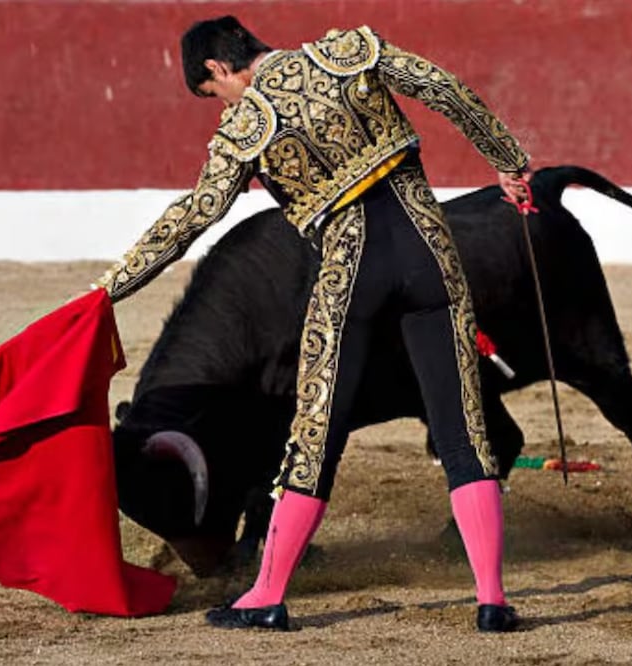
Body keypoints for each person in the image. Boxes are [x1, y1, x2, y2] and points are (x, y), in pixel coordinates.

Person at [94, 16, 532, 632]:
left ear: (218, 68)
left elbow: (192, 218)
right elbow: (444, 89)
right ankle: (491, 600)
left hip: (351, 272)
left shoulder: (247, 125)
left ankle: (267, 595)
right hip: (431, 255)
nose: (223, 104)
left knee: (314, 440)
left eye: (215, 92)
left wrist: (108, 290)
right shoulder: (349, 53)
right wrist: (508, 162)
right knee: (462, 431)